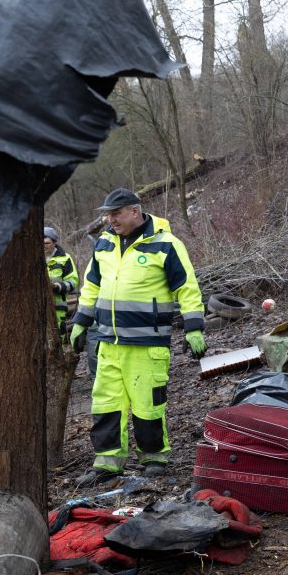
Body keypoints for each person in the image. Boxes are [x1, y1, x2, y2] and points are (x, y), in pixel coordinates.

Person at [69, 188, 206, 486]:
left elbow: (187, 287)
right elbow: (91, 286)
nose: (110, 219)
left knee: (147, 403)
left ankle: (153, 457)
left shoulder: (166, 244)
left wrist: (194, 326)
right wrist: (81, 320)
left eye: (116, 213)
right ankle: (107, 462)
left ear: (134, 210)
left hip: (147, 343)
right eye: (107, 214)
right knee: (106, 403)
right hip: (108, 341)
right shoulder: (104, 243)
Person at [44, 226, 79, 334]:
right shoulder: (31, 258)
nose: (43, 246)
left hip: (58, 308)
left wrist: (57, 286)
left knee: (58, 337)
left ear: (54, 243)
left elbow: (73, 282)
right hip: (35, 308)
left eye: (47, 243)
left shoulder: (65, 258)